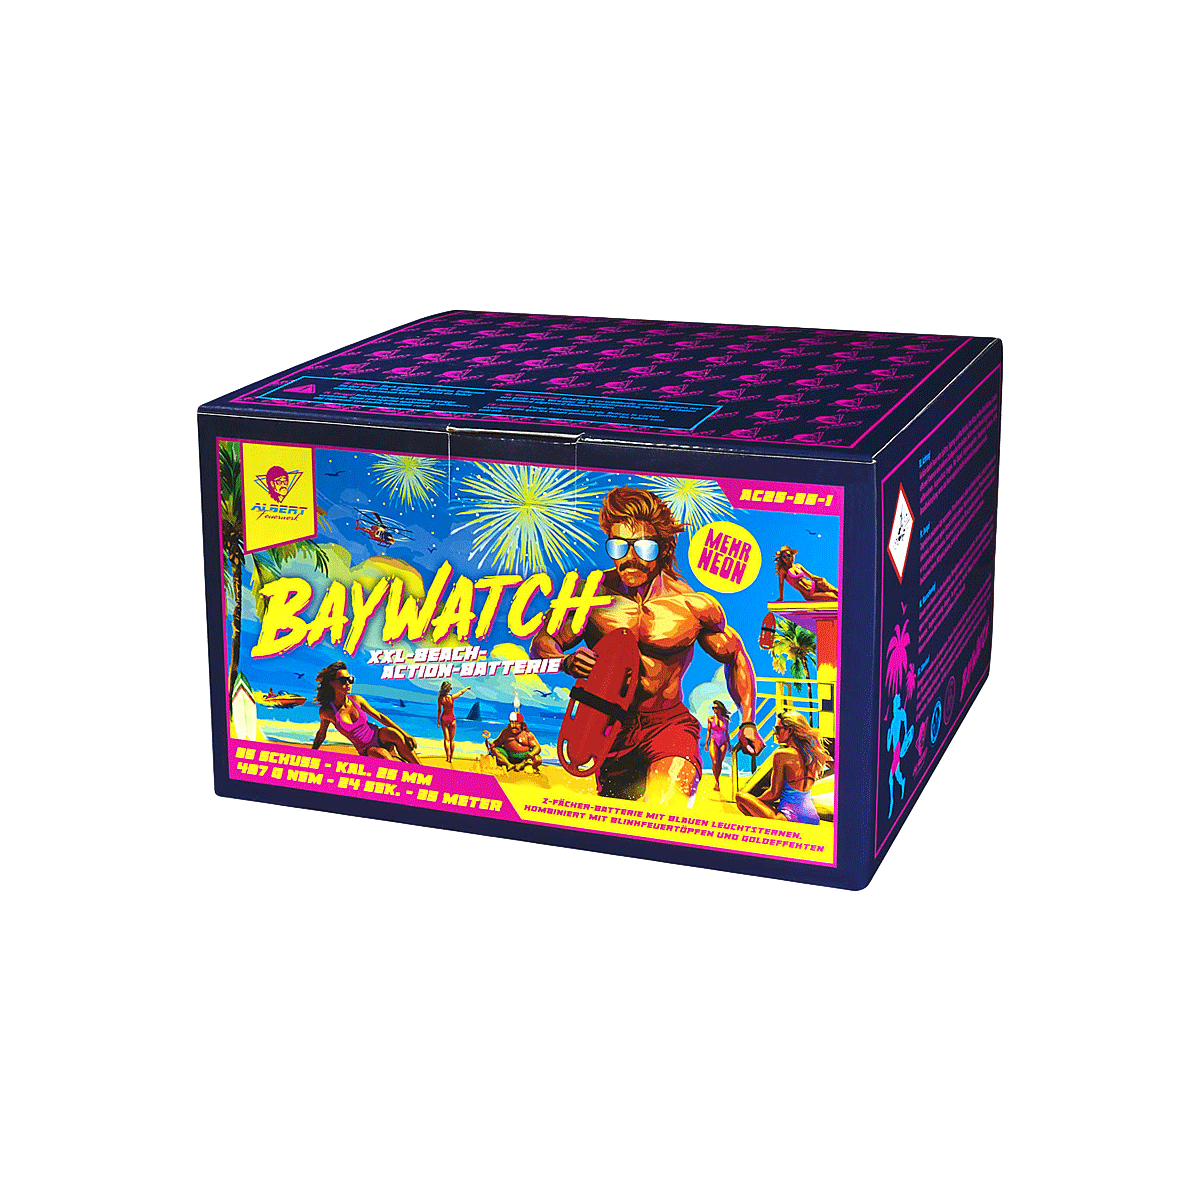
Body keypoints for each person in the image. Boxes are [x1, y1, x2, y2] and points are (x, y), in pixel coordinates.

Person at [532, 486, 761, 806]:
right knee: (619, 819)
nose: (630, 558)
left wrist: (748, 721)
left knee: (667, 808)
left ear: (663, 547)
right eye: (618, 546)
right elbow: (544, 641)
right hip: (608, 728)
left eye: (643, 547)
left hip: (668, 725)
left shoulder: (692, 605)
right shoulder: (590, 595)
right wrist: (564, 660)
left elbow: (735, 656)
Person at [736, 709, 830, 824]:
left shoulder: (782, 755)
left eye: (777, 729)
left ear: (789, 730)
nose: (774, 733)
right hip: (812, 818)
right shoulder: (811, 756)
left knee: (740, 797)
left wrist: (756, 802)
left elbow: (774, 794)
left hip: (788, 817)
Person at [311, 661, 419, 761]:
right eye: (343, 680)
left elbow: (380, 716)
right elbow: (321, 735)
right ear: (331, 683)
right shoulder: (327, 712)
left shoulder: (357, 700)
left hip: (378, 734)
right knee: (382, 755)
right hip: (366, 748)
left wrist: (405, 734)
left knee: (396, 734)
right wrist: (311, 754)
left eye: (350, 679)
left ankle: (421, 769)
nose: (348, 683)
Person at [436, 681, 471, 763]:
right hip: (451, 718)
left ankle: (447, 757)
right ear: (448, 689)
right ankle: (451, 758)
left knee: (446, 739)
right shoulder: (452, 697)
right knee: (452, 739)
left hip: (444, 718)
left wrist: (438, 720)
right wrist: (467, 688)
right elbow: (461, 692)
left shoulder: (440, 698)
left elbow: (439, 710)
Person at [705, 700, 732, 791]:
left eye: (716, 708)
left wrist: (729, 744)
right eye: (713, 708)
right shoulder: (710, 719)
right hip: (713, 740)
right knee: (715, 762)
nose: (714, 709)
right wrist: (706, 743)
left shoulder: (725, 721)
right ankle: (716, 781)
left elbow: (727, 733)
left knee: (720, 762)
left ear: (720, 709)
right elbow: (708, 731)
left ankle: (717, 781)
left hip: (723, 741)